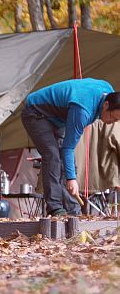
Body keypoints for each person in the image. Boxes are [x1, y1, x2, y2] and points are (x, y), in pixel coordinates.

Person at [21, 78, 120, 217]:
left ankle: (73, 210)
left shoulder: (108, 89)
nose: (111, 122)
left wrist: (71, 177)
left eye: (116, 121)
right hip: (36, 113)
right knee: (52, 155)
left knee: (68, 163)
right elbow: (68, 148)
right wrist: (72, 179)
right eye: (112, 117)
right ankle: (55, 208)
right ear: (106, 105)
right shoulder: (83, 111)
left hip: (58, 118)